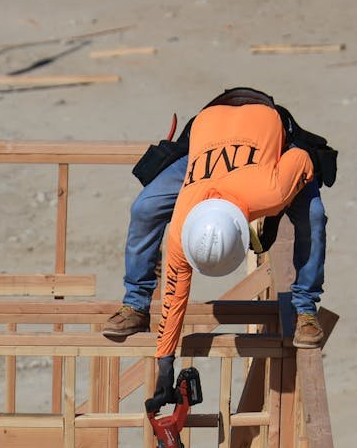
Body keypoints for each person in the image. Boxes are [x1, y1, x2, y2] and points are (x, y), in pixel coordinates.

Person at [102, 88, 336, 361]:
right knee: (144, 208)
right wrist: (164, 361)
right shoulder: (182, 222)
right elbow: (174, 297)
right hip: (207, 132)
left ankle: (305, 309)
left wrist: (286, 192)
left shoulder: (270, 192)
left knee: (313, 215)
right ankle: (136, 305)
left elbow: (302, 159)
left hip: (269, 139)